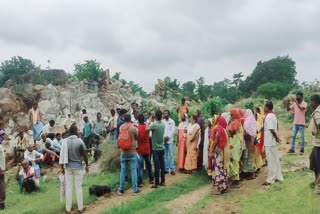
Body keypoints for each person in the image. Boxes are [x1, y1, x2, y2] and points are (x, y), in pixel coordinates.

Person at [60, 125, 89, 213]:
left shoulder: (65, 141)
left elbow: (62, 155)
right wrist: (87, 165)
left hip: (68, 167)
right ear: (75, 131)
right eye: (78, 130)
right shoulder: (80, 141)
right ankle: (80, 208)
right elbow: (84, 154)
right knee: (78, 187)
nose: (79, 132)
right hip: (78, 167)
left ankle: (68, 209)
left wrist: (62, 168)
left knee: (68, 188)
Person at [117, 114, 140, 195]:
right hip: (132, 152)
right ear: (130, 119)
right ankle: (135, 190)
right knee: (133, 170)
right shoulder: (133, 128)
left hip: (123, 152)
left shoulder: (121, 127)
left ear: (124, 119)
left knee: (123, 171)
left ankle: (121, 189)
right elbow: (137, 137)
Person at [263, 101, 283, 185]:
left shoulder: (268, 117)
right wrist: (276, 138)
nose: (263, 108)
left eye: (264, 106)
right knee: (276, 160)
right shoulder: (273, 115)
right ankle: (279, 177)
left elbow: (271, 129)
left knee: (271, 161)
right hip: (272, 142)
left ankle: (270, 179)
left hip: (269, 142)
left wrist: (276, 138)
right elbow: (276, 127)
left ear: (267, 107)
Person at [147, 110, 166, 188]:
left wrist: (149, 121)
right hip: (162, 147)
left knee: (156, 165)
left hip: (155, 148)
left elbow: (146, 129)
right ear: (161, 116)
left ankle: (156, 183)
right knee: (162, 165)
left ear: (155, 116)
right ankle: (163, 181)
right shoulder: (163, 125)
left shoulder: (154, 125)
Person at [211, 117, 230, 195]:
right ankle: (224, 186)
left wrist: (211, 151)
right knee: (224, 169)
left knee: (218, 169)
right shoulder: (225, 130)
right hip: (225, 152)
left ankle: (220, 188)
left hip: (219, 153)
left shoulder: (219, 130)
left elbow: (215, 141)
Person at [228, 109, 244, 188]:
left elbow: (230, 131)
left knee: (234, 160)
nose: (230, 115)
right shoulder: (238, 121)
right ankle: (235, 178)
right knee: (236, 160)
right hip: (237, 143)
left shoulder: (235, 122)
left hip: (234, 144)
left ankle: (236, 180)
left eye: (231, 114)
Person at [136, 113, 153, 186]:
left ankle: (140, 182)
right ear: (143, 119)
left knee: (140, 167)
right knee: (149, 165)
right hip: (147, 148)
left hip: (139, 149)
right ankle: (151, 178)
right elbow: (149, 136)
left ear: (138, 120)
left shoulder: (136, 128)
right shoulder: (147, 127)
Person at [308, 94, 320, 194]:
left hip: (318, 143)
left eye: (311, 101)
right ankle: (316, 181)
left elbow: (319, 123)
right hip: (316, 143)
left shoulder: (317, 112)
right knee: (313, 160)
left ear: (315, 102)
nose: (310, 103)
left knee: (318, 164)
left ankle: (319, 187)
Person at [241, 109, 257, 180]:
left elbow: (246, 131)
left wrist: (244, 134)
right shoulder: (252, 120)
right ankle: (248, 172)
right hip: (252, 140)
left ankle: (251, 173)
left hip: (249, 141)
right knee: (248, 157)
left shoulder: (247, 121)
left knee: (249, 157)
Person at [163, 110, 176, 175]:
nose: (165, 115)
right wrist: (164, 138)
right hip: (164, 141)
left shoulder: (172, 121)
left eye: (166, 113)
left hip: (170, 140)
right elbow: (162, 130)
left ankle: (172, 169)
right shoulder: (162, 121)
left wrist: (168, 137)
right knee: (165, 156)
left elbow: (173, 131)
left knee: (171, 155)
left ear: (169, 114)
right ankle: (166, 169)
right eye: (164, 113)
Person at [0, 130, 6, 209]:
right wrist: (0, 170)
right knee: (2, 186)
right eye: (1, 136)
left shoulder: (1, 145)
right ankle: (2, 205)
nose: (3, 137)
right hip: (0, 170)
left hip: (2, 169)